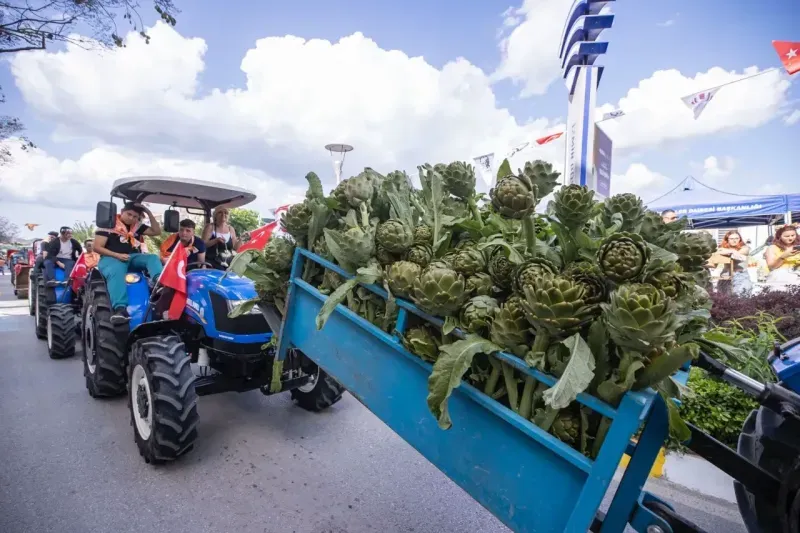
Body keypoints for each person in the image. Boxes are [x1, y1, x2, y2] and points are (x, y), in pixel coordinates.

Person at [93, 202, 163, 324]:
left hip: (131, 257)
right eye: (129, 214)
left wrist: (148, 212)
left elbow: (156, 231)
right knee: (117, 270)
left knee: (152, 258)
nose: (131, 218)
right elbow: (97, 247)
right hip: (111, 258)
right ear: (122, 211)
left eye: (135, 216)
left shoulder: (136, 226)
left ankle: (159, 284)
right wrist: (117, 255)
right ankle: (120, 309)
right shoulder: (108, 224)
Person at [715, 230, 752, 295]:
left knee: (742, 297)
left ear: (740, 239)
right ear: (727, 239)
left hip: (741, 275)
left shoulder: (745, 248)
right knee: (724, 298)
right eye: (731, 238)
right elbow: (717, 252)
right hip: (726, 275)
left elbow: (737, 255)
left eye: (737, 238)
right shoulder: (722, 247)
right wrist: (732, 251)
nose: (734, 240)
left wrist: (731, 252)